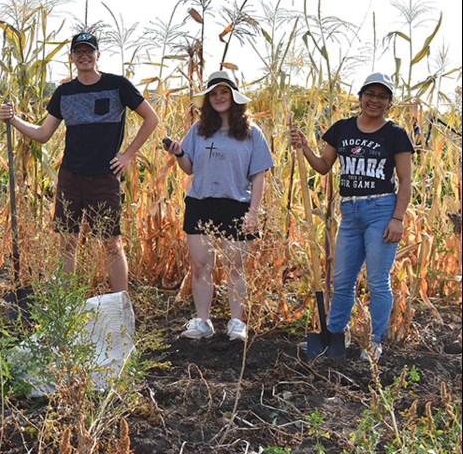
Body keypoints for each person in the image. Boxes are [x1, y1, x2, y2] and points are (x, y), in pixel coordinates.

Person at [0, 32, 160, 292]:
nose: (84, 56)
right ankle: (67, 307)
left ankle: (121, 305)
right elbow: (43, 134)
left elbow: (151, 119)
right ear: (71, 58)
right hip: (71, 177)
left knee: (112, 245)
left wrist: (127, 154)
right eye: (79, 52)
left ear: (98, 55)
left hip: (104, 178)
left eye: (89, 51)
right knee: (67, 243)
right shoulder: (64, 92)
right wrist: (13, 120)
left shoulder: (118, 86)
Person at [290, 72, 412, 360]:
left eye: (382, 96)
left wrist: (398, 218)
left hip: (381, 209)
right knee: (343, 281)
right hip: (350, 210)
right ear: (360, 97)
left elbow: (405, 181)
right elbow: (323, 166)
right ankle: (333, 339)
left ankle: (375, 342)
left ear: (389, 102)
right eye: (370, 94)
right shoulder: (342, 128)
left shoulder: (395, 134)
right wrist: (304, 145)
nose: (375, 100)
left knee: (377, 281)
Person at [164, 70, 274, 342]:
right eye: (213, 94)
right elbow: (188, 168)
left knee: (235, 266)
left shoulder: (251, 133)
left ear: (234, 97)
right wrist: (179, 153)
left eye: (224, 92)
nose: (218, 97)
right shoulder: (198, 131)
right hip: (201, 203)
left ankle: (237, 322)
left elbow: (258, 176)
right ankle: (203, 321)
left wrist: (253, 212)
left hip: (236, 205)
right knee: (201, 266)